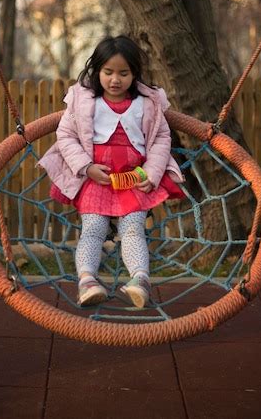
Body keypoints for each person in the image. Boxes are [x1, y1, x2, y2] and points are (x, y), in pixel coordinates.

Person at [38, 35, 184, 308]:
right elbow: (66, 136)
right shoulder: (84, 101)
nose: (115, 79)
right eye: (108, 72)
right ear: (97, 71)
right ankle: (87, 281)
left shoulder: (147, 102)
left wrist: (151, 173)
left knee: (133, 229)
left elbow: (162, 137)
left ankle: (140, 280)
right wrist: (86, 167)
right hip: (96, 179)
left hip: (134, 179)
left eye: (123, 73)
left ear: (134, 74)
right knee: (93, 229)